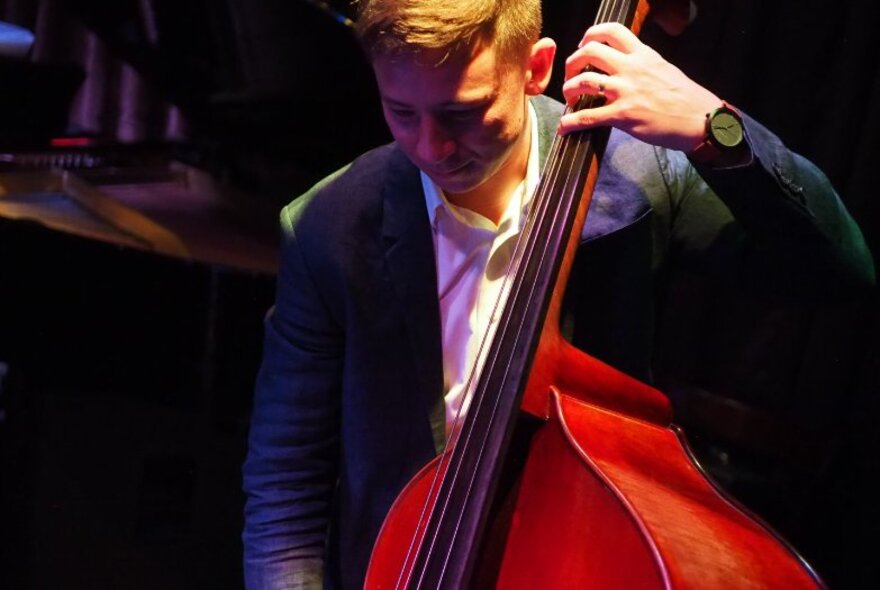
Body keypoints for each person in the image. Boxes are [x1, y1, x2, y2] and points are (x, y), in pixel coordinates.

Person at [242, 0, 874, 588]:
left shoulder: (640, 177)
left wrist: (718, 130)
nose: (431, 147)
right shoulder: (327, 226)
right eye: (402, 112)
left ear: (535, 68)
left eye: (462, 113)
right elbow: (285, 483)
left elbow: (836, 271)